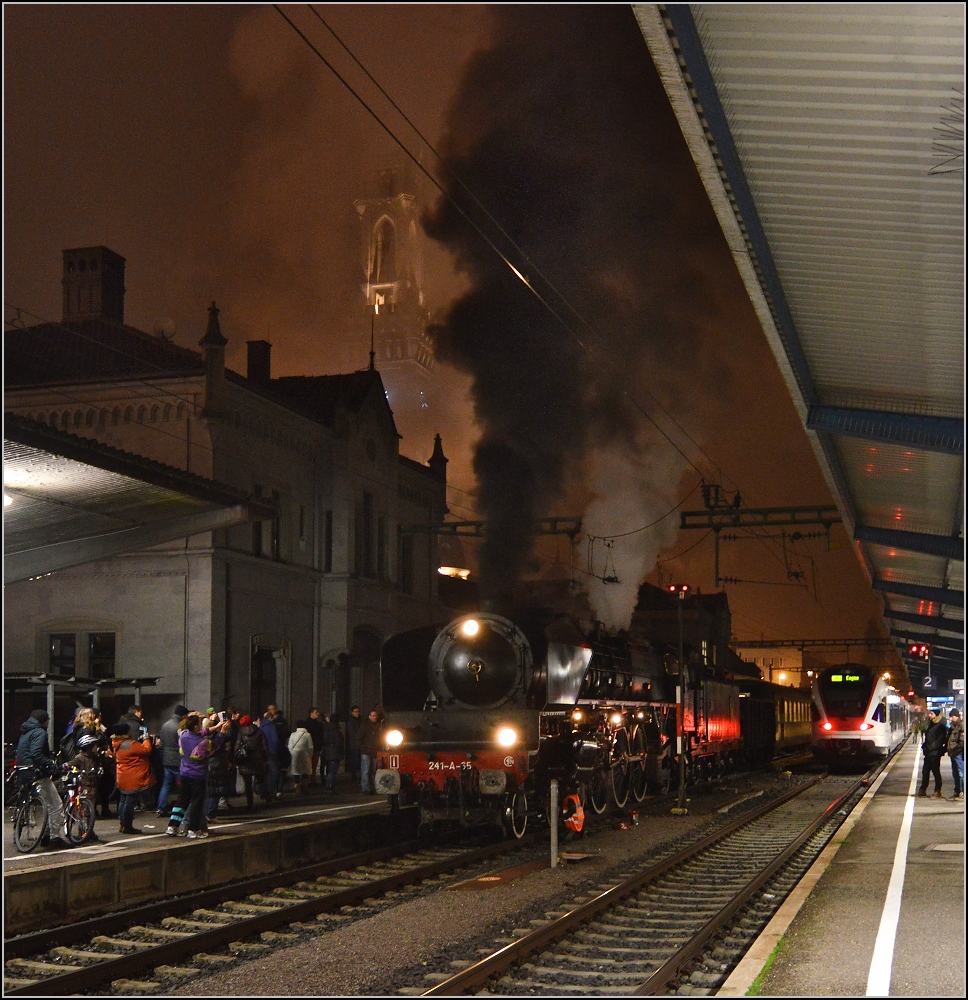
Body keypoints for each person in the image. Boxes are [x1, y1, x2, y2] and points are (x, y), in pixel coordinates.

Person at [166, 713, 230, 839]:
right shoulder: (203, 743)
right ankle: (193, 829)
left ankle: (172, 826)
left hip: (184, 773)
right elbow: (215, 745)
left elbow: (202, 732)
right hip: (198, 776)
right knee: (196, 802)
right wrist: (222, 732)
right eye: (199, 724)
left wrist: (216, 726)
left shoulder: (184, 735)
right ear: (195, 727)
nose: (201, 726)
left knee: (182, 801)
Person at [16, 709, 69, 846]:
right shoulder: (40, 732)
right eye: (47, 720)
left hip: (23, 772)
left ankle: (46, 835)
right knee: (56, 804)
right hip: (36, 773)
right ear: (43, 721)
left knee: (46, 803)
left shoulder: (25, 733)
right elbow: (36, 754)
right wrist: (52, 767)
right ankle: (54, 837)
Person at [110, 723, 155, 834]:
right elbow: (146, 750)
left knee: (123, 799)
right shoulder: (130, 744)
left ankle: (122, 823)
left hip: (122, 774)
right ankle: (127, 825)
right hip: (133, 776)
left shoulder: (116, 743)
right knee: (130, 801)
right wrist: (146, 739)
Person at [157, 704, 188, 817]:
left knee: (166, 785)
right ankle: (181, 807)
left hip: (166, 759)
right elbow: (183, 744)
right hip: (178, 760)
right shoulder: (180, 727)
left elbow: (162, 743)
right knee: (183, 785)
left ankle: (161, 807)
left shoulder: (165, 725)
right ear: (183, 715)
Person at [234, 715, 270, 809]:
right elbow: (265, 745)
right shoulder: (259, 731)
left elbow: (237, 747)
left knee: (248, 784)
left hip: (245, 760)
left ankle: (250, 803)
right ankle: (267, 799)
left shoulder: (241, 733)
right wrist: (266, 758)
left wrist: (236, 759)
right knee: (262, 780)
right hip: (258, 759)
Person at [917, 707, 949, 798]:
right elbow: (928, 737)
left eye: (931, 714)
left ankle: (937, 790)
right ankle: (923, 789)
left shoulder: (941, 726)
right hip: (928, 752)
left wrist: (931, 747)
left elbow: (940, 739)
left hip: (935, 753)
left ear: (936, 715)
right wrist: (925, 746)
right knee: (925, 771)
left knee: (935, 772)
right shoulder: (931, 724)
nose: (929, 715)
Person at [261, 705, 283, 803]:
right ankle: (271, 792)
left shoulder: (261, 726)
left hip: (263, 753)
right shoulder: (272, 726)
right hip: (272, 752)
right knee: (275, 772)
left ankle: (262, 792)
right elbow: (275, 740)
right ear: (270, 718)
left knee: (265, 774)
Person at [358, 708, 383, 794]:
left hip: (375, 751)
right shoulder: (364, 726)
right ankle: (365, 788)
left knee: (374, 771)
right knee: (365, 771)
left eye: (376, 715)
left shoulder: (380, 726)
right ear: (369, 717)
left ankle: (373, 787)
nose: (375, 717)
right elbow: (359, 738)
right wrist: (363, 748)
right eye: (373, 715)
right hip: (366, 752)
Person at [287, 723, 313, 796]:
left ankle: (297, 789)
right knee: (305, 772)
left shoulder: (292, 734)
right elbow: (310, 747)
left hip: (295, 756)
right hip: (305, 756)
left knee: (296, 772)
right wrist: (310, 755)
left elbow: (289, 746)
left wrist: (292, 753)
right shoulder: (307, 735)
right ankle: (304, 788)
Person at [322, 712, 344, 795]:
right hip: (335, 753)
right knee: (333, 771)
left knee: (329, 771)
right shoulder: (336, 730)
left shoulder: (326, 728)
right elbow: (339, 743)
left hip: (327, 752)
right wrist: (341, 753)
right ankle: (330, 787)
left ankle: (327, 787)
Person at [301, 708, 325, 785]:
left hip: (314, 747)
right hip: (312, 746)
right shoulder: (312, 724)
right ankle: (310, 780)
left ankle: (311, 779)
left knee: (313, 764)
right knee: (311, 764)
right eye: (316, 712)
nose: (318, 714)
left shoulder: (314, 724)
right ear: (311, 713)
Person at [947, 708, 964, 801]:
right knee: (955, 773)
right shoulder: (953, 726)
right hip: (953, 753)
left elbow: (962, 741)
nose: (950, 718)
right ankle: (957, 791)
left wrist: (956, 750)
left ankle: (963, 792)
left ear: (956, 716)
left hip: (958, 753)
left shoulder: (962, 726)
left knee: (961, 773)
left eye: (952, 716)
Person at [345, 705, 362, 785]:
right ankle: (353, 776)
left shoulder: (359, 720)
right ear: (352, 712)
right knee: (354, 760)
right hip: (354, 744)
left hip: (358, 744)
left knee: (357, 760)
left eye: (358, 711)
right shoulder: (351, 722)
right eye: (356, 712)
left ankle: (356, 775)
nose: (357, 713)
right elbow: (352, 733)